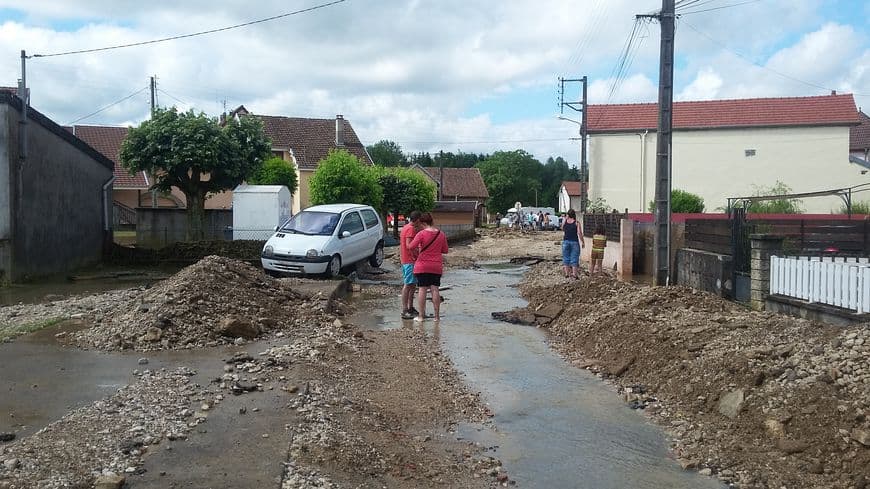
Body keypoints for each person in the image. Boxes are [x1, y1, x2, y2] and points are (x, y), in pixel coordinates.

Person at [408, 212, 449, 322]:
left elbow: (411, 247)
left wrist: (418, 251)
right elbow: (445, 250)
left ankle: (421, 316)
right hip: (436, 266)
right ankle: (437, 317)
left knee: (422, 289)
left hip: (422, 265)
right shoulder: (441, 234)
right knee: (435, 289)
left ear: (423, 223)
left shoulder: (421, 234)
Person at [400, 211, 423, 319]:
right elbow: (409, 245)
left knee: (412, 284)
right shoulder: (410, 229)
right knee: (408, 284)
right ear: (417, 219)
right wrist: (416, 255)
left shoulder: (406, 227)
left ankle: (410, 307)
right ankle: (405, 309)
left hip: (407, 260)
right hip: (409, 261)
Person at [561, 209, 585, 279]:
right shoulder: (577, 223)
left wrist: (565, 219)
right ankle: (574, 274)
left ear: (568, 215)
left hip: (565, 241)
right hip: (574, 242)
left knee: (566, 258)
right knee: (574, 258)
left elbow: (562, 228)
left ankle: (567, 274)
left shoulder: (565, 221)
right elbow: (579, 233)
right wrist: (583, 242)